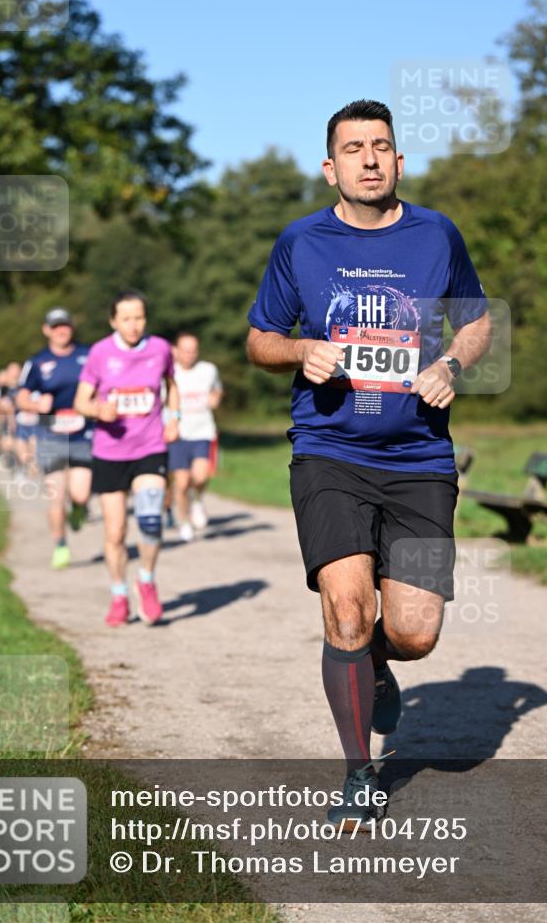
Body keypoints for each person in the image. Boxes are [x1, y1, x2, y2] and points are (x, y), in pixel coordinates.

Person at [246, 99, 492, 829]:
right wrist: (299, 351)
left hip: (418, 455)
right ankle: (360, 773)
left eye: (380, 146)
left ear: (398, 161)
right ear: (330, 166)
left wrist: (451, 361)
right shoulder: (301, 243)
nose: (368, 158)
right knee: (346, 611)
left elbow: (477, 319)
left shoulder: (435, 234)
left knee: (414, 631)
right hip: (329, 451)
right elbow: (260, 339)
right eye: (352, 148)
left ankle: (375, 661)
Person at [74, 289, 179, 627]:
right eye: (126, 319)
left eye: (139, 318)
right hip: (110, 451)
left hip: (149, 445)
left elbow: (171, 384)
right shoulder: (100, 353)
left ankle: (146, 580)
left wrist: (174, 417)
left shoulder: (161, 348)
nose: (133, 325)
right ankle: (119, 594)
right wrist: (97, 410)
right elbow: (81, 402)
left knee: (150, 518)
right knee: (115, 532)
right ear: (113, 321)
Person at [15, 309, 92, 569]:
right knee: (55, 495)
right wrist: (36, 405)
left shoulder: (87, 355)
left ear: (72, 327)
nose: (62, 330)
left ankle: (79, 509)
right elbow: (20, 397)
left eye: (66, 325)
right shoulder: (37, 362)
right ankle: (60, 545)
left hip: (83, 434)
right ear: (46, 330)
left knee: (80, 493)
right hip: (51, 435)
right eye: (56, 326)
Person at [168, 331, 224, 541]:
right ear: (176, 351)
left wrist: (215, 399)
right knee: (181, 483)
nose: (189, 355)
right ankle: (183, 520)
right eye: (185, 351)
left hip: (203, 431)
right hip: (178, 434)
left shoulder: (208, 370)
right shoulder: (169, 372)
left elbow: (217, 391)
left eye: (193, 351)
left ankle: (197, 500)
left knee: (200, 476)